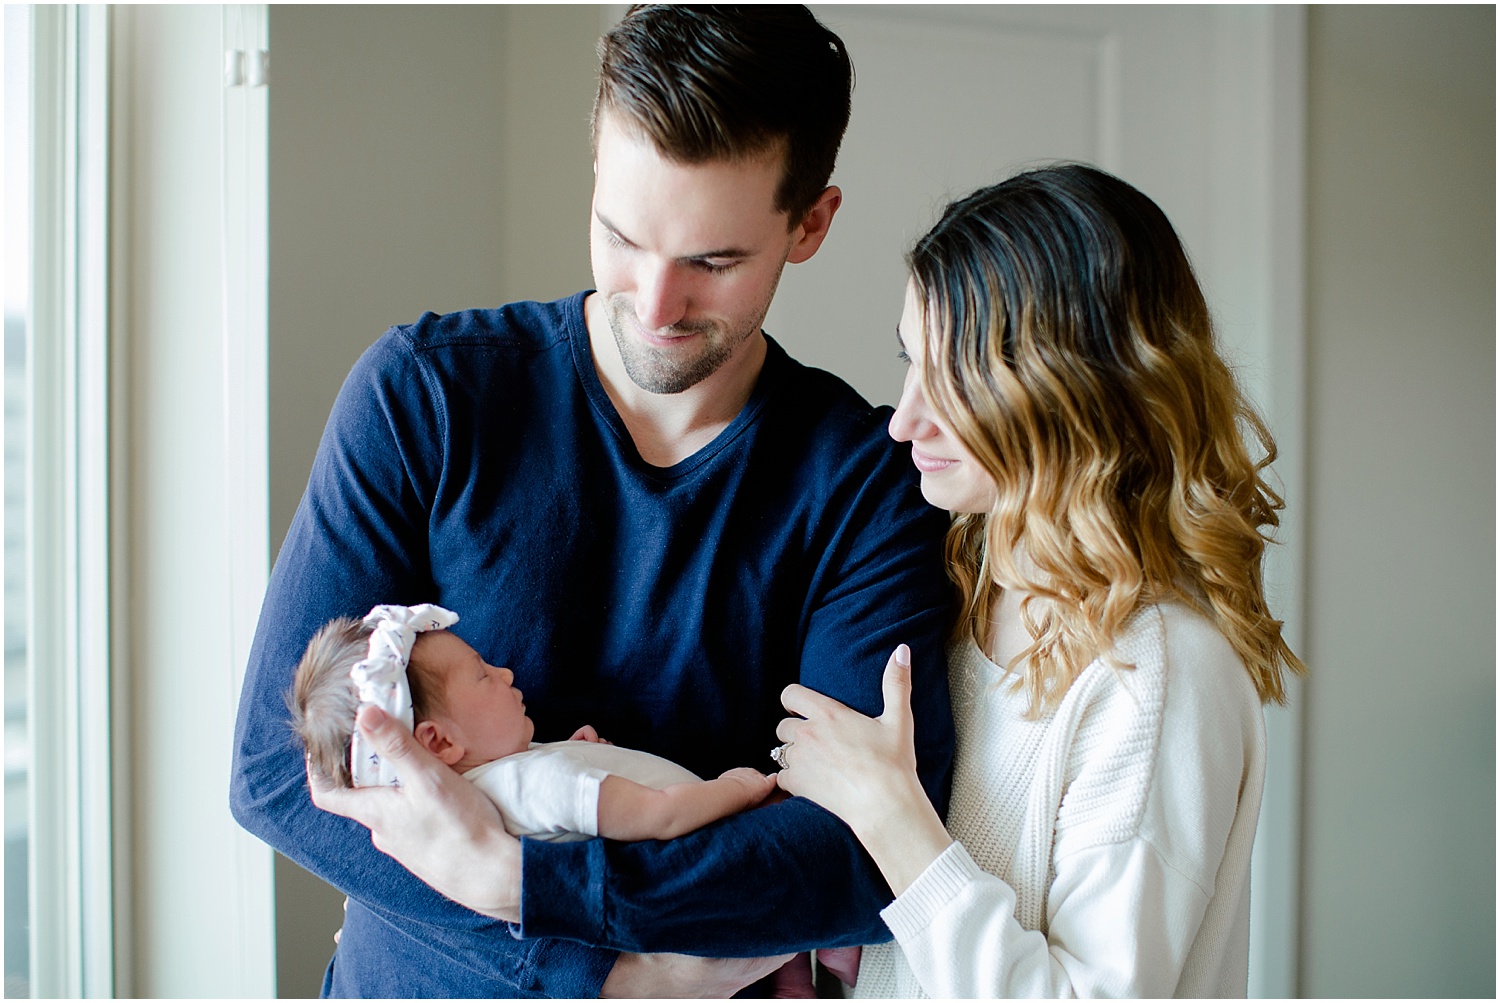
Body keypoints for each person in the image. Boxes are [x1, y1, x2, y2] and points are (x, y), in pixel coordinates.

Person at [230, 5, 955, 998]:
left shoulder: (866, 485)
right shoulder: (426, 394)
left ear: (810, 223)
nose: (655, 305)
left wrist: (527, 878)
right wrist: (583, 965)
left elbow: (863, 855)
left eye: (713, 261)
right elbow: (279, 774)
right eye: (621, 234)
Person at [770, 164, 1307, 997]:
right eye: (909, 361)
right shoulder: (951, 585)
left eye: (953, 374)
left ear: (1071, 387)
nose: (905, 418)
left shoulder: (1159, 677)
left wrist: (891, 813)